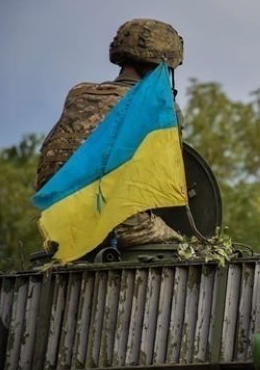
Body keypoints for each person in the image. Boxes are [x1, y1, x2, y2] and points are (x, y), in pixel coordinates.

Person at [36, 18, 184, 249]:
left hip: (60, 227)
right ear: (162, 65)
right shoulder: (160, 108)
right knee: (179, 245)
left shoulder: (78, 95)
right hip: (119, 227)